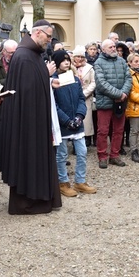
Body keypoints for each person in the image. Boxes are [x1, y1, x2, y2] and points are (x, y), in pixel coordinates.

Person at [0, 20, 62, 215]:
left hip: (34, 118)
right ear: (38, 33)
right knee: (28, 157)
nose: (49, 41)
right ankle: (28, 201)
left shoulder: (30, 54)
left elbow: (31, 85)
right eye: (48, 36)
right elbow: (26, 91)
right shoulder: (25, 56)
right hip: (27, 122)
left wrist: (47, 79)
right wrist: (45, 73)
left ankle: (39, 198)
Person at [51, 50, 97, 197]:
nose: (66, 62)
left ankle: (80, 181)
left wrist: (79, 116)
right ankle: (63, 182)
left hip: (77, 123)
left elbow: (81, 100)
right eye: (63, 60)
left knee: (82, 152)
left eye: (67, 60)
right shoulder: (53, 81)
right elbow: (54, 105)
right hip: (62, 124)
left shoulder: (75, 79)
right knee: (62, 154)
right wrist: (66, 120)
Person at [93, 39, 132, 168]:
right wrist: (118, 94)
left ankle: (115, 155)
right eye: (110, 47)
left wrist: (124, 93)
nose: (114, 48)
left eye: (114, 46)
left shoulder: (121, 61)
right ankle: (102, 156)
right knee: (103, 131)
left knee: (119, 130)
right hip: (105, 102)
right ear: (103, 49)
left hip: (120, 102)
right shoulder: (98, 63)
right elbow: (101, 83)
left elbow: (128, 78)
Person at [71, 46, 96, 146]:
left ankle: (87, 138)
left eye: (81, 56)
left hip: (86, 95)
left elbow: (93, 82)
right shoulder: (70, 67)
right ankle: (74, 142)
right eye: (77, 56)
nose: (79, 59)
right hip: (73, 97)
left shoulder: (89, 68)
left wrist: (84, 93)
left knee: (86, 120)